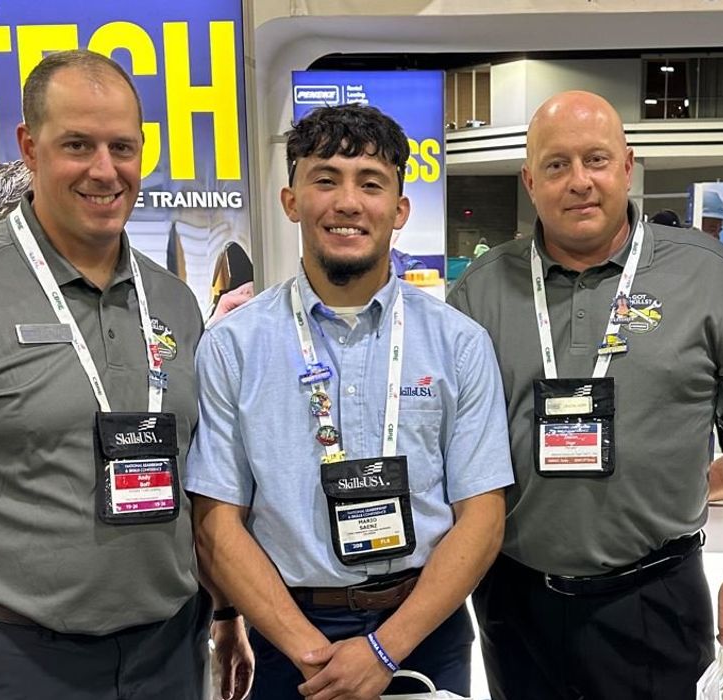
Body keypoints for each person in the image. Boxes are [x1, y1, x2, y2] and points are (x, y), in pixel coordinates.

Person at [0, 50, 252, 700]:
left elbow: (195, 484)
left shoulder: (177, 302)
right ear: (30, 148)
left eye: (122, 147)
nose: (105, 170)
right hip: (11, 662)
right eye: (78, 144)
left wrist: (224, 614)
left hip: (167, 656)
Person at [449, 90, 723, 700]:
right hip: (515, 595)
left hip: (654, 594)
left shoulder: (705, 273)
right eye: (557, 165)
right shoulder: (480, 292)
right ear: (530, 180)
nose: (579, 181)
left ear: (627, 165)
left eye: (596, 160)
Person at [186, 103, 513, 700]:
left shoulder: (458, 343)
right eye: (325, 179)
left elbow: (483, 517)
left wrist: (386, 649)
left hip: (425, 628)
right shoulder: (234, 344)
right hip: (287, 635)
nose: (348, 202)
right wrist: (309, 651)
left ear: (399, 209)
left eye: (371, 183)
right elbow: (215, 521)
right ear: (291, 201)